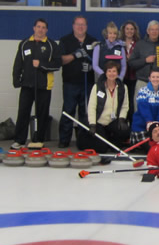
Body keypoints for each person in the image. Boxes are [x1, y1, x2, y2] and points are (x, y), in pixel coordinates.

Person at [11, 18, 61, 149]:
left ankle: (38, 140)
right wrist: (17, 80)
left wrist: (41, 65)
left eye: (43, 27)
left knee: (42, 114)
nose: (41, 29)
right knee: (23, 112)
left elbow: (57, 65)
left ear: (47, 30)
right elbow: (18, 64)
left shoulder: (51, 45)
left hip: (44, 86)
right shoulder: (25, 44)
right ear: (34, 28)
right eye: (38, 27)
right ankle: (19, 140)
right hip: (27, 85)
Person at [57, 15, 98, 148]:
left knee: (85, 113)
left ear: (86, 26)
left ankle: (82, 141)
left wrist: (92, 66)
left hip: (88, 82)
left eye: (83, 25)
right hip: (70, 82)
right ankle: (64, 140)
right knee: (68, 111)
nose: (80, 27)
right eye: (78, 24)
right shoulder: (65, 40)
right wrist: (75, 55)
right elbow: (61, 60)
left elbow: (99, 61)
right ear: (73, 25)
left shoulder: (93, 41)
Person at [78, 61, 130, 153]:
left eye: (114, 71)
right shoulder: (97, 87)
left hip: (112, 121)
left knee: (124, 130)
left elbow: (125, 106)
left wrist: (122, 119)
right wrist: (92, 124)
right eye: (109, 71)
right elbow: (91, 107)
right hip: (99, 122)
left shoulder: (123, 87)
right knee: (102, 149)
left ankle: (112, 141)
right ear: (105, 73)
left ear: (118, 73)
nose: (111, 74)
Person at [129, 20, 159, 111]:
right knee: (140, 109)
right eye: (152, 29)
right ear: (148, 31)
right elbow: (131, 63)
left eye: (157, 30)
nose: (154, 32)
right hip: (142, 82)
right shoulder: (140, 44)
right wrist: (145, 60)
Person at [130, 68, 159, 152]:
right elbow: (143, 108)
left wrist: (158, 124)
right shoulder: (143, 91)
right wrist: (149, 122)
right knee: (152, 149)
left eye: (157, 77)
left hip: (155, 128)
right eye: (153, 77)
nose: (155, 79)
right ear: (149, 78)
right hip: (142, 126)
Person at [120, 20, 141, 122]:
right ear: (124, 30)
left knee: (132, 102)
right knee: (121, 101)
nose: (129, 31)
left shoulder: (138, 44)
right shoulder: (119, 43)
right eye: (127, 29)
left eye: (131, 29)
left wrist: (131, 59)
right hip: (121, 77)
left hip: (134, 76)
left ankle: (132, 126)